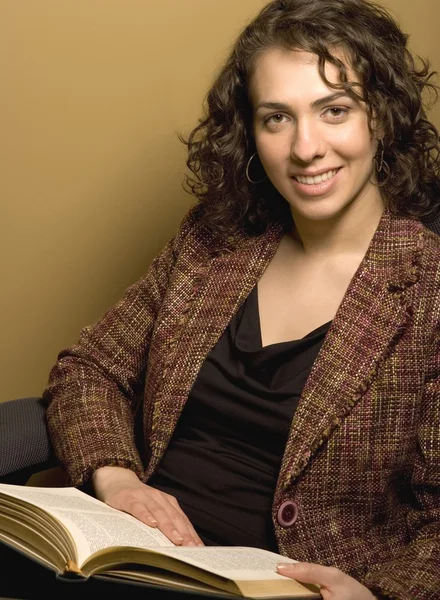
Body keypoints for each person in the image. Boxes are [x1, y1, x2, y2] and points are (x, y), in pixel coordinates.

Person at [43, 0, 440, 598]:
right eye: (277, 118)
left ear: (380, 117)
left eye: (334, 111)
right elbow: (90, 368)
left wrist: (380, 593)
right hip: (124, 556)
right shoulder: (213, 240)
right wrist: (117, 479)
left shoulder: (428, 291)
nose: (306, 148)